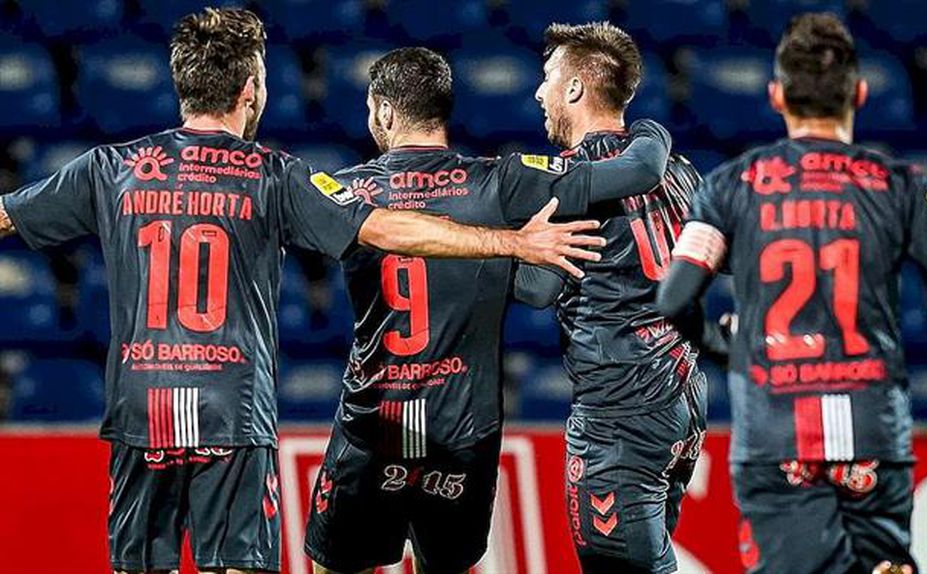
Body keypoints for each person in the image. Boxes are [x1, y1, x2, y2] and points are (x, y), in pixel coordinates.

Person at [0, 9, 609, 574]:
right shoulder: (274, 173)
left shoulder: (112, 166)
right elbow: (384, 228)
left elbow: (7, 216)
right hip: (234, 409)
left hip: (141, 408)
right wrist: (510, 242)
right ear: (251, 89)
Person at [656, 13, 927, 574]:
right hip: (873, 430)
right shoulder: (903, 186)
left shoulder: (730, 187)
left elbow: (673, 298)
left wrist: (724, 343)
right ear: (860, 93)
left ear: (777, 96)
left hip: (776, 433)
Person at [303, 46, 675, 574]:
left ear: (383, 111)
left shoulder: (344, 190)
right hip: (464, 432)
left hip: (372, 425)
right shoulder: (500, 180)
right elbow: (633, 174)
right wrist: (652, 132)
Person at [530, 22, 716, 574]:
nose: (538, 92)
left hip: (618, 411)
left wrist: (493, 252)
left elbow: (540, 287)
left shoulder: (571, 181)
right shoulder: (678, 171)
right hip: (683, 398)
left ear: (574, 89)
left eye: (548, 78)